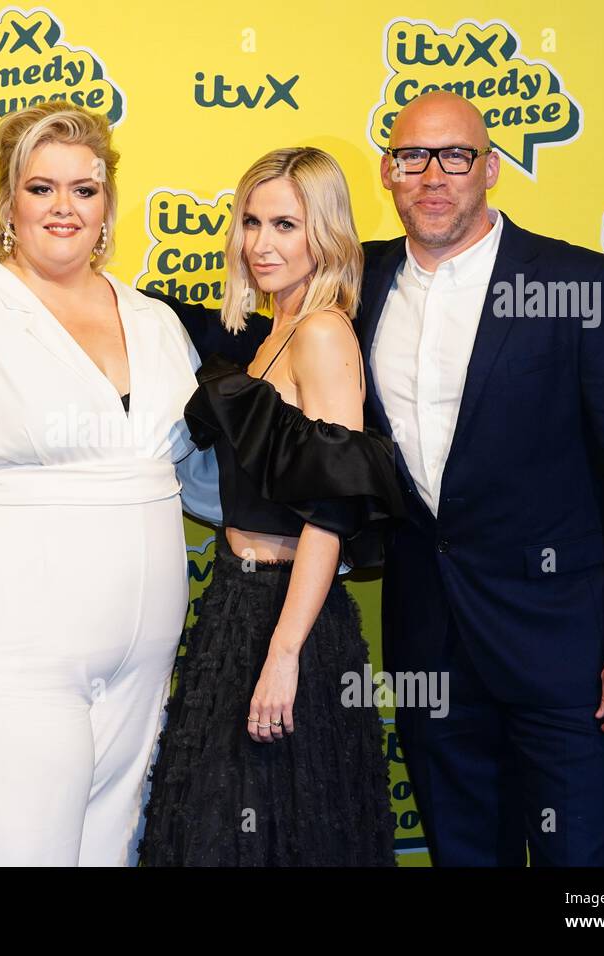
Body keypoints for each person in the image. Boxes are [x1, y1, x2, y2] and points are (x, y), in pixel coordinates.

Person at [0, 102, 220, 866]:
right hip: (3, 656)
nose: (65, 208)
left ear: (107, 206)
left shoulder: (156, 321)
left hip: (140, 659)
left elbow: (195, 470)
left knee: (107, 852)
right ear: (7, 203)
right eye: (42, 189)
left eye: (84, 190)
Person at [363, 91, 604, 865]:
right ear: (387, 173)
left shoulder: (580, 285)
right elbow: (239, 327)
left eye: (456, 156)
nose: (433, 176)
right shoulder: (356, 282)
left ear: (492, 169)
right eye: (413, 157)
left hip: (567, 657)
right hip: (431, 652)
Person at [139, 147, 404, 866]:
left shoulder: (321, 333)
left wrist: (284, 652)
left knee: (279, 833)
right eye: (252, 222)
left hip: (289, 619)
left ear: (325, 235)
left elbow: (332, 509)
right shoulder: (272, 335)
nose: (261, 244)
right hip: (235, 604)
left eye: (285, 224)